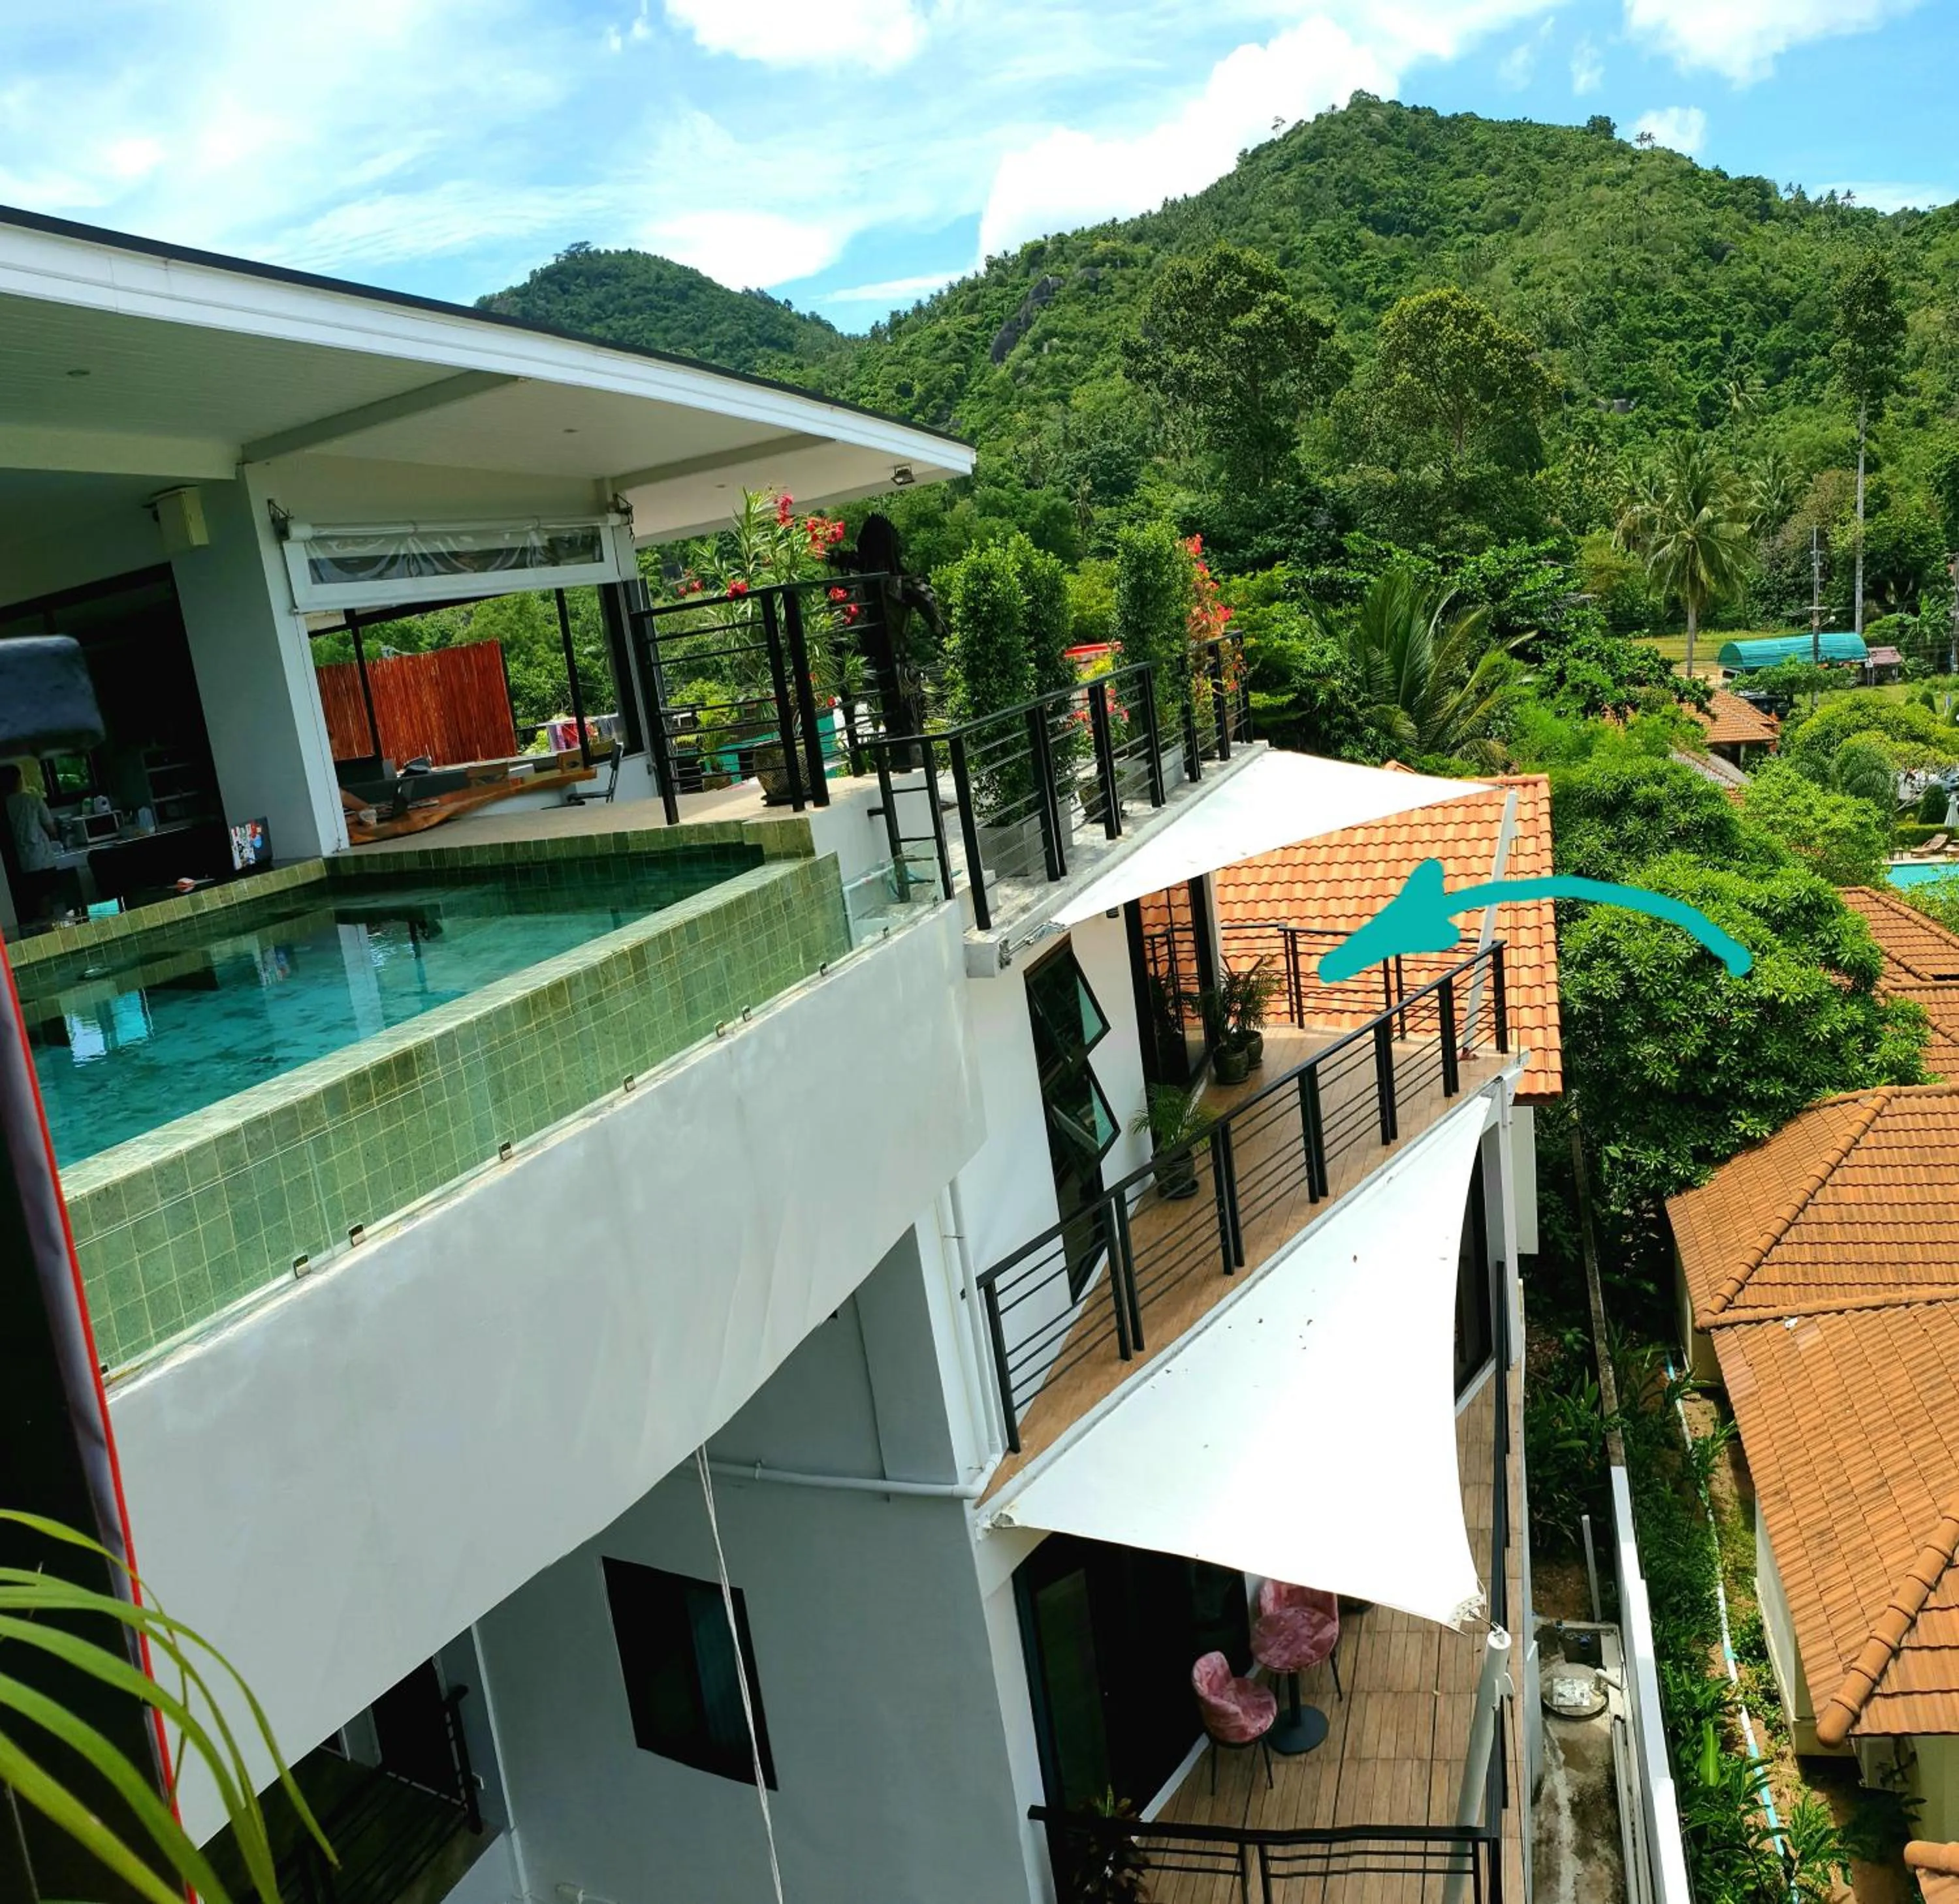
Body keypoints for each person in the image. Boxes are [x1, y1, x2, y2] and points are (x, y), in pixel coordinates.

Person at [2, 763, 65, 921]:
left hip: (17, 865)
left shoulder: (4, 805)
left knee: (29, 907)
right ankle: (47, 934)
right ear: (19, 780)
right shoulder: (33, 800)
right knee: (45, 902)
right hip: (40, 861)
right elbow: (51, 830)